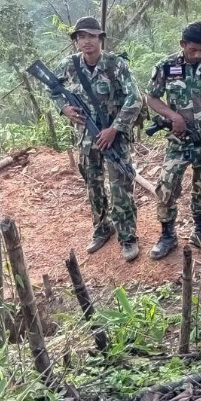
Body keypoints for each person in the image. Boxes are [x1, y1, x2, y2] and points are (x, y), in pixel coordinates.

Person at [52, 16, 142, 262]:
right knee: (93, 185)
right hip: (86, 138)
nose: (86, 41)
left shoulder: (116, 64)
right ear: (76, 41)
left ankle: (128, 236)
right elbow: (52, 88)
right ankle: (102, 228)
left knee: (120, 186)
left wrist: (115, 128)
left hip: (114, 138)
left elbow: (135, 99)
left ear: (100, 38)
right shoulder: (69, 65)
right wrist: (64, 109)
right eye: (81, 37)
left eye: (91, 36)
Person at [145, 21, 201, 259]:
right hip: (179, 141)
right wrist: (174, 116)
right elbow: (151, 98)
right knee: (167, 185)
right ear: (183, 44)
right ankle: (167, 235)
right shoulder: (166, 66)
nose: (198, 55)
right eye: (193, 49)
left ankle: (200, 232)